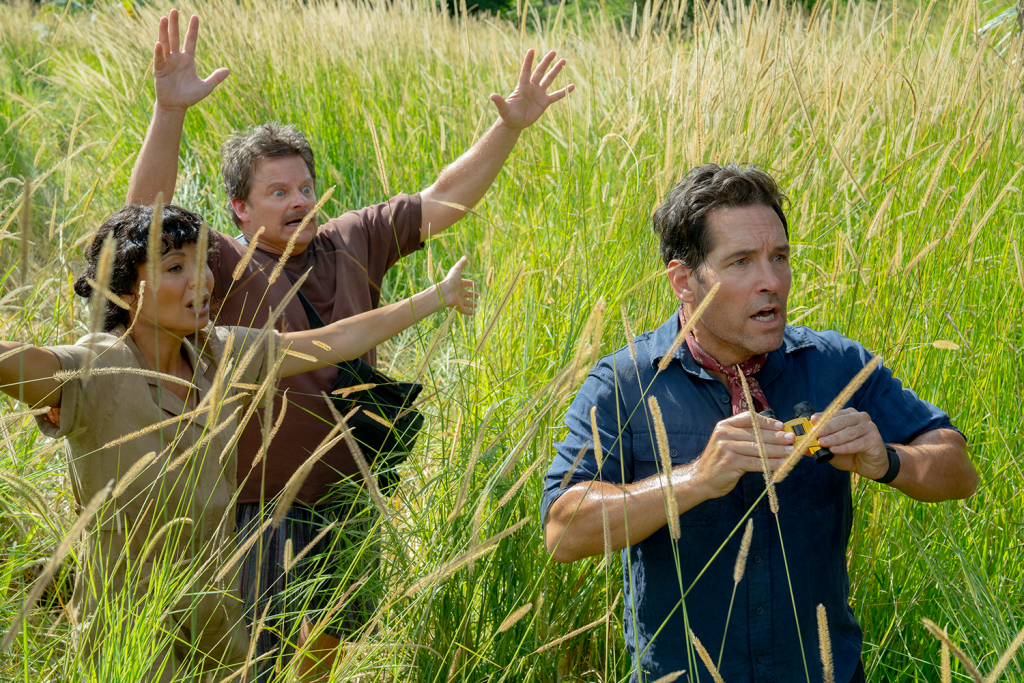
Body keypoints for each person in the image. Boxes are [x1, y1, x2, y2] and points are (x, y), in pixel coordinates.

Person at [124, 9, 573, 678]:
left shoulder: (353, 239)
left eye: (306, 187)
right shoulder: (220, 262)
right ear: (240, 207)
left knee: (332, 645)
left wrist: (508, 127)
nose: (299, 201)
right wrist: (169, 112)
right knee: (259, 659)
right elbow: (143, 222)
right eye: (278, 192)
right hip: (254, 506)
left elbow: (445, 199)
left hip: (350, 495)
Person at [0, 203, 475, 682]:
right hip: (129, 638)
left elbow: (335, 340)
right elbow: (21, 362)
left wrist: (437, 296)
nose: (201, 280)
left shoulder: (220, 351)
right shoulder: (96, 369)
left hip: (216, 631)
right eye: (175, 268)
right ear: (124, 291)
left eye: (202, 262)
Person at [541, 164, 977, 683]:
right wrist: (696, 479)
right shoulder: (625, 383)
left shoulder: (836, 364)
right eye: (741, 262)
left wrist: (888, 461)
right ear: (683, 281)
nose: (771, 282)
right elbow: (563, 530)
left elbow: (959, 471)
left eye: (780, 258)